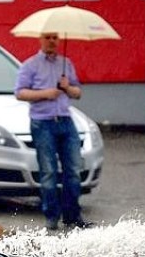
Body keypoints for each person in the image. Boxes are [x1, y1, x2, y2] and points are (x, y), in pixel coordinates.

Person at [15, 32, 93, 231]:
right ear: (40, 39)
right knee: (48, 172)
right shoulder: (30, 65)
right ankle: (51, 215)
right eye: (48, 37)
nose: (52, 41)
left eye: (55, 38)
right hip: (43, 123)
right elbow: (20, 92)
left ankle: (72, 215)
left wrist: (67, 88)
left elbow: (78, 93)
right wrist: (45, 94)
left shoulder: (66, 63)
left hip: (66, 121)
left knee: (74, 170)